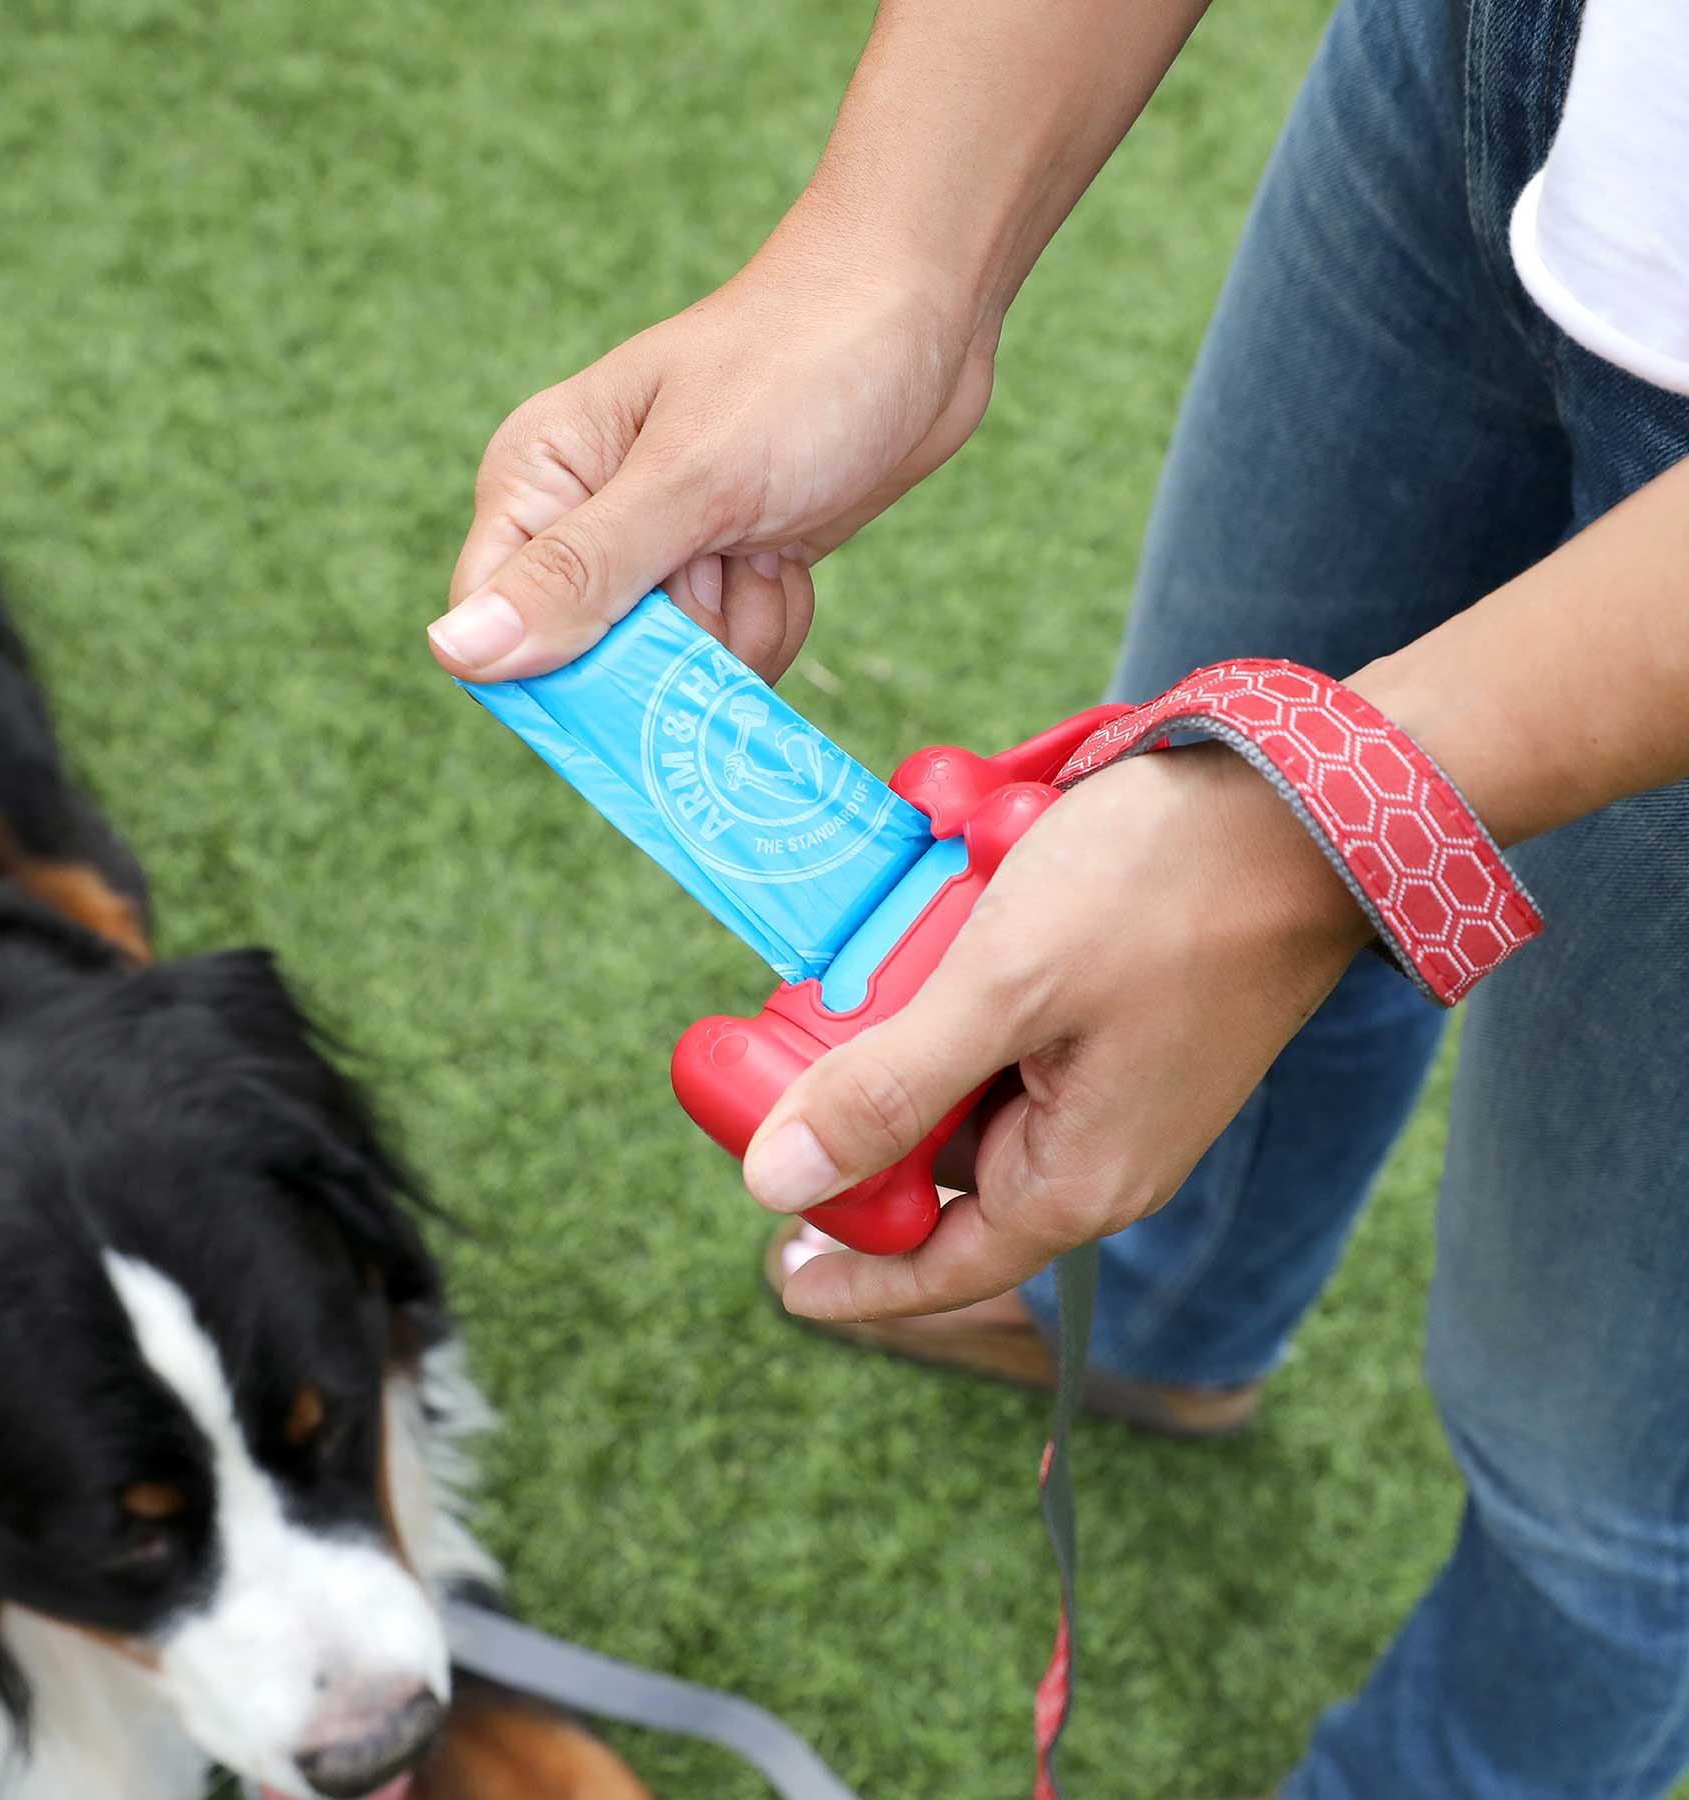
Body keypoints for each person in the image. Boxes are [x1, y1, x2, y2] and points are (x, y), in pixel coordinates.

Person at [426, 0, 1689, 1791]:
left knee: (1600, 1458)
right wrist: (891, 258)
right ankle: (1163, 1317)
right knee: (1174, 858)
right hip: (1499, 53)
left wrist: (1311, 814)